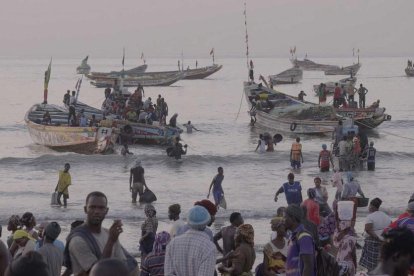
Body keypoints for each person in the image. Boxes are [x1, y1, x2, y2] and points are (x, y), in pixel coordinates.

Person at [65, 191, 138, 276]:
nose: (96, 211)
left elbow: (122, 264)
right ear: (85, 209)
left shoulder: (108, 233)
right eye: (92, 207)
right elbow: (97, 273)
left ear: (106, 211)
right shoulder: (78, 240)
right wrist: (110, 241)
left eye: (101, 208)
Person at [164, 206, 216, 276]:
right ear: (206, 222)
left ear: (188, 221)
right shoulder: (209, 247)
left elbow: (168, 274)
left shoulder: (172, 244)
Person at [359, 198, 392, 272]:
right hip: (384, 242)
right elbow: (391, 227)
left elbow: (368, 229)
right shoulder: (386, 217)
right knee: (381, 263)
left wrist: (377, 237)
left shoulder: (370, 217)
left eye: (369, 206)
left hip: (373, 242)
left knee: (371, 266)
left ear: (371, 206)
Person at [284, 204, 316, 276]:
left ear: (293, 218)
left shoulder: (304, 237)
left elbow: (308, 265)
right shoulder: (292, 236)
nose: (283, 220)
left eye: (285, 217)